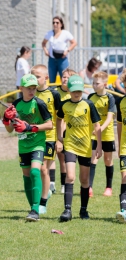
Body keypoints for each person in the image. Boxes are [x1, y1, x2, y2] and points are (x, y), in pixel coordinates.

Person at [3, 74, 52, 221]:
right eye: (28, 88)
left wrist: (30, 127)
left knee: (35, 172)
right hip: (23, 146)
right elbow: (10, 130)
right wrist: (7, 120)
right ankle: (33, 209)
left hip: (37, 144)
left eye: (34, 88)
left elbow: (50, 125)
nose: (32, 91)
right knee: (26, 178)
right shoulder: (16, 105)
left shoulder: (39, 103)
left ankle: (36, 209)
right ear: (21, 88)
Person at [56, 75, 102, 222]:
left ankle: (83, 210)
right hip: (70, 145)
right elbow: (58, 119)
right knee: (70, 176)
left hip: (86, 146)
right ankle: (67, 210)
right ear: (69, 90)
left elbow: (97, 126)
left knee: (84, 179)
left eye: (79, 91)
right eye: (74, 90)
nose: (77, 93)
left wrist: (99, 146)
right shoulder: (64, 105)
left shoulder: (89, 105)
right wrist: (59, 137)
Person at [31, 64, 61, 214]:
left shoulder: (54, 95)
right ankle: (43, 194)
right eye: (33, 76)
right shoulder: (31, 93)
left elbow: (60, 118)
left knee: (44, 169)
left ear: (46, 78)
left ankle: (43, 202)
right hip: (34, 137)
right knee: (36, 170)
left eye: (37, 76)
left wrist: (60, 139)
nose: (34, 80)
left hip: (49, 137)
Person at [88, 71, 116, 197]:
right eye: (93, 83)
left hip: (107, 134)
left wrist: (100, 129)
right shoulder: (90, 98)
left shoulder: (110, 98)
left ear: (105, 84)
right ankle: (89, 188)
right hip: (93, 134)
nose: (94, 85)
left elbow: (110, 118)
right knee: (93, 158)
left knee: (108, 159)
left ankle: (109, 187)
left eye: (97, 83)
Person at [55, 68, 77, 193]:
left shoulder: (73, 95)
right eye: (63, 76)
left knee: (63, 159)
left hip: (68, 131)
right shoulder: (55, 92)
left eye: (68, 78)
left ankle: (64, 184)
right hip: (53, 128)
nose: (65, 79)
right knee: (52, 157)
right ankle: (51, 183)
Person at [42, 16, 77, 83]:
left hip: (62, 59)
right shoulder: (49, 33)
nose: (55, 24)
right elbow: (43, 43)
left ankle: (65, 92)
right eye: (53, 23)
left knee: (65, 78)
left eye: (57, 23)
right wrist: (46, 50)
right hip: (52, 59)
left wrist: (67, 50)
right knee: (52, 80)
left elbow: (74, 43)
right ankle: (53, 92)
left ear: (61, 24)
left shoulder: (65, 33)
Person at [115, 72, 126, 222]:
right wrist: (119, 145)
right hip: (125, 147)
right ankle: (124, 210)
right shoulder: (120, 102)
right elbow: (119, 125)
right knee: (125, 176)